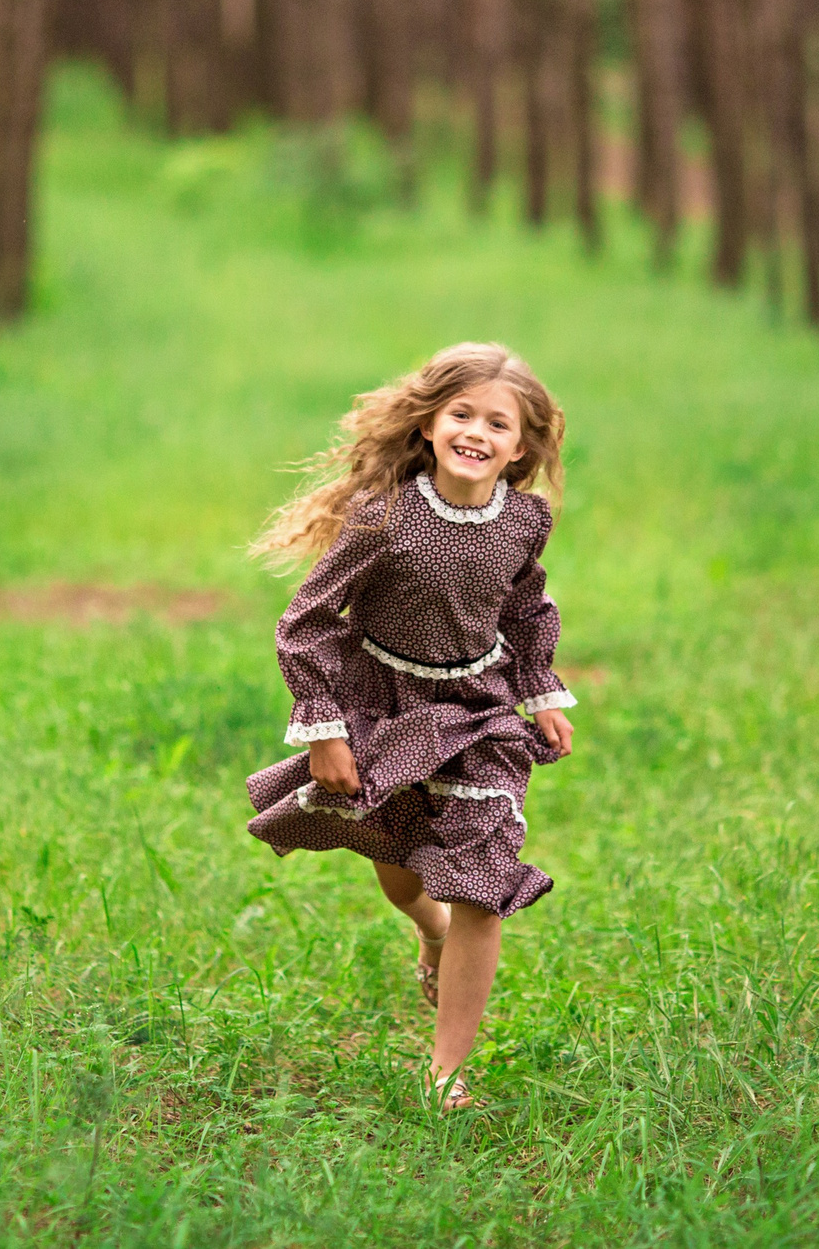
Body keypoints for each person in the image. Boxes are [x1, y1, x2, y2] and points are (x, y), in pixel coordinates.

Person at [245, 342, 578, 1108]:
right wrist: (324, 728)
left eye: (498, 422)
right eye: (461, 413)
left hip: (481, 711)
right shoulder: (386, 518)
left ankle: (446, 1072)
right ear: (428, 423)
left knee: (483, 881)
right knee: (402, 871)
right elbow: (305, 621)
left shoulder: (525, 520)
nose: (477, 431)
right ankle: (429, 929)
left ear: (520, 445)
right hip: (385, 706)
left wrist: (544, 692)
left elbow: (526, 607)